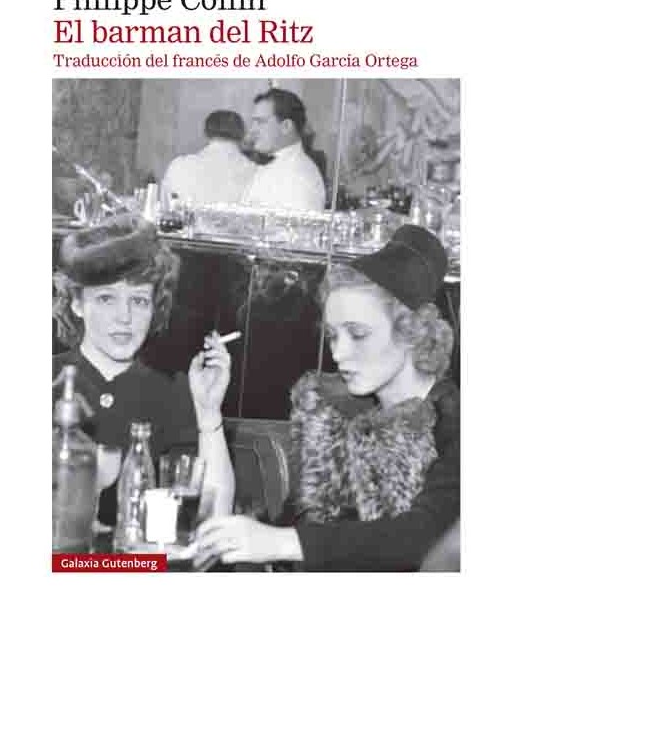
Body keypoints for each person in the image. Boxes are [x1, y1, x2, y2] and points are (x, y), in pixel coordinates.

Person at [193, 225, 459, 572]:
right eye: (333, 336)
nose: (338, 353)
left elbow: (423, 540)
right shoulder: (336, 416)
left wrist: (282, 542)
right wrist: (209, 413)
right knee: (133, 566)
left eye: (358, 334)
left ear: (412, 332)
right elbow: (289, 533)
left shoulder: (457, 426)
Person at [53, 214, 235, 525]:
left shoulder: (175, 391)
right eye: (107, 298)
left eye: (138, 301)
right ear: (77, 303)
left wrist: (208, 413)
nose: (124, 317)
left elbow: (215, 518)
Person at [242, 88, 326, 211]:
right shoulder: (272, 164)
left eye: (260, 122)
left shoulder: (300, 177)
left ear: (286, 126)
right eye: (254, 122)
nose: (252, 130)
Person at [161, 110, 256, 207]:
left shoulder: (179, 166)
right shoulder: (255, 171)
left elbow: (164, 206)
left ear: (206, 132)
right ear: (242, 134)